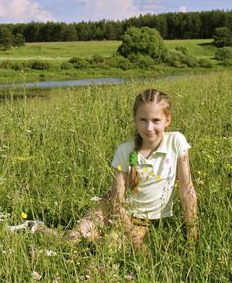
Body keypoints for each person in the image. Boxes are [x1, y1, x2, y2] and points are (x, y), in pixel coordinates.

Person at [67, 88, 198, 251]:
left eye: (156, 120)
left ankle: (98, 243)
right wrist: (136, 240)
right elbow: (116, 202)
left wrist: (191, 235)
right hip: (113, 209)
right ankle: (37, 228)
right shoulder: (125, 150)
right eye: (143, 120)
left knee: (108, 248)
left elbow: (187, 190)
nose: (149, 127)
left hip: (140, 219)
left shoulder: (176, 142)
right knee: (72, 241)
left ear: (167, 120)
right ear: (135, 120)